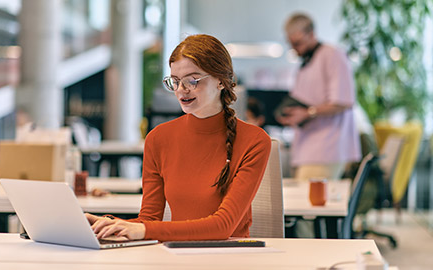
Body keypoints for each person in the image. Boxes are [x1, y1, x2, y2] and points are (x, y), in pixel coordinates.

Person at [85, 34, 272, 241]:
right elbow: (149, 219)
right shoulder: (158, 138)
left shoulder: (254, 140)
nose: (181, 90)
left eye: (192, 80)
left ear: (221, 81)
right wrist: (112, 224)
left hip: (231, 257)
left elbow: (223, 226)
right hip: (176, 255)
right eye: (175, 81)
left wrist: (145, 230)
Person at [276, 13, 361, 180]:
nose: (294, 49)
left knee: (307, 203)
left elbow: (343, 101)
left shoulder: (332, 55)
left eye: (298, 43)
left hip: (327, 148)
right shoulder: (305, 63)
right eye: (291, 44)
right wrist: (292, 116)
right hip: (307, 147)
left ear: (312, 34)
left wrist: (308, 113)